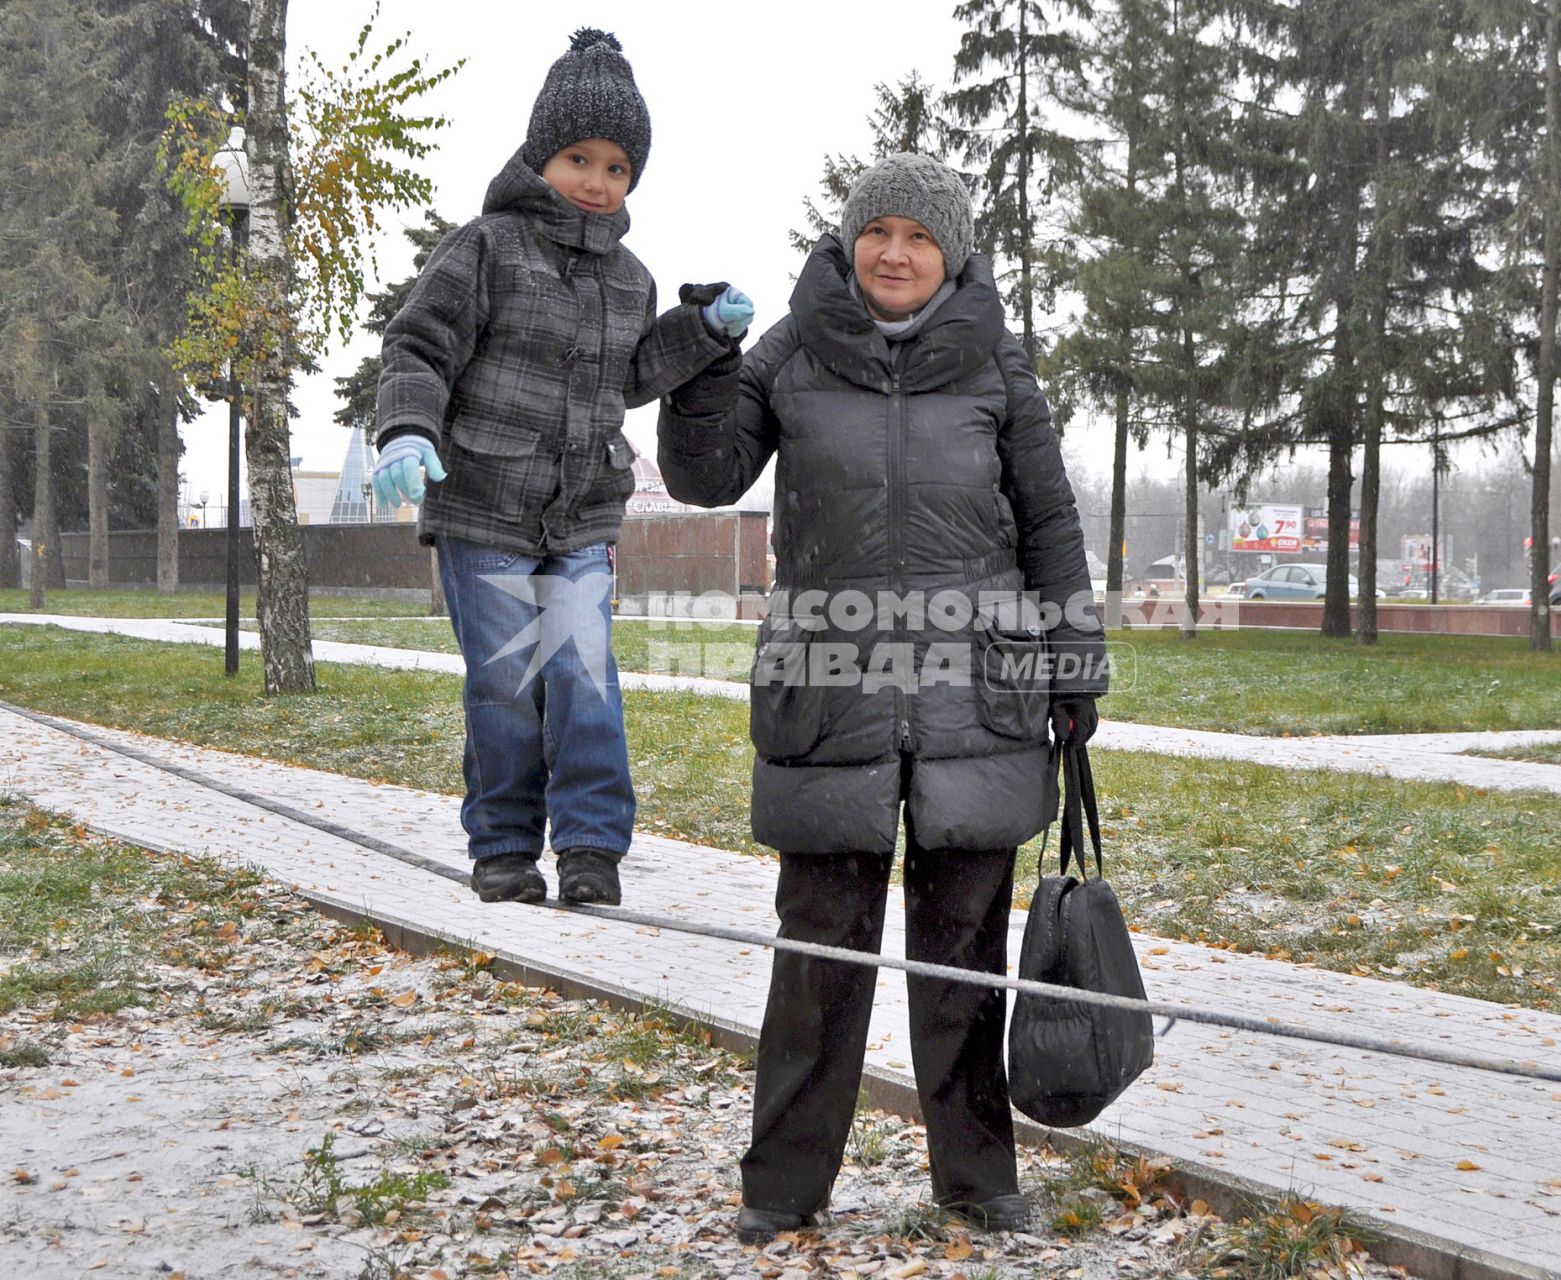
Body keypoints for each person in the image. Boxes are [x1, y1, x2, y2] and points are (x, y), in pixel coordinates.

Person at [656, 153, 1105, 1242]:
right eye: (877, 232)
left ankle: (979, 1180)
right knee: (820, 953)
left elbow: (1047, 521)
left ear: (950, 251)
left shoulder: (998, 358)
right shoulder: (795, 347)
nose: (895, 253)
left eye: (918, 235)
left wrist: (1073, 666)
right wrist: (699, 363)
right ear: (848, 242)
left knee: (966, 957)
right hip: (830, 696)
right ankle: (782, 1186)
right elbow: (705, 474)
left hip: (978, 696)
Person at [373, 29, 752, 909]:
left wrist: (704, 332)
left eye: (617, 167)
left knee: (584, 677)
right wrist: (404, 429)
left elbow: (634, 375)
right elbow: (418, 347)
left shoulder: (634, 280)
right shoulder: (485, 249)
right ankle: (505, 843)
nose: (596, 180)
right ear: (541, 156)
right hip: (482, 508)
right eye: (579, 158)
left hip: (580, 516)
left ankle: (589, 846)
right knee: (508, 680)